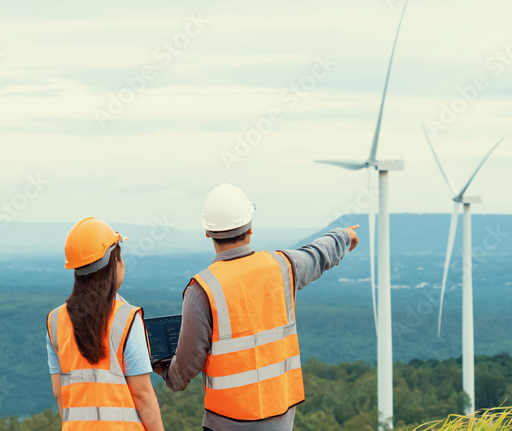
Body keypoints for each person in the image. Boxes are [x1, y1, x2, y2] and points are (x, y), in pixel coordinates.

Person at [157, 183, 359, 430]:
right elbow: (317, 254)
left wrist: (168, 374)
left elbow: (187, 365)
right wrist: (342, 235)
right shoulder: (284, 267)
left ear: (208, 232)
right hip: (281, 419)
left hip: (225, 423)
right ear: (250, 228)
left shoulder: (201, 290)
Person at [46, 217, 165, 430]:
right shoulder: (127, 318)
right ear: (113, 264)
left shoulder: (55, 321)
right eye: (120, 258)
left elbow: (59, 392)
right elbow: (143, 395)